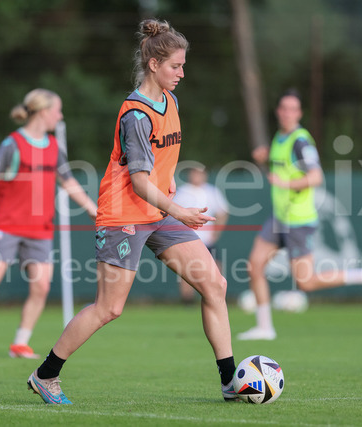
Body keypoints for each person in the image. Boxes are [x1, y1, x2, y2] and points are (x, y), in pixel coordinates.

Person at [27, 19, 237, 405]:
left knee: (215, 285)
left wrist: (169, 193)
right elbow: (139, 182)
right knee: (109, 308)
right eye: (175, 66)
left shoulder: (171, 101)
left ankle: (230, 381)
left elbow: (162, 162)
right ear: (154, 64)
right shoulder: (135, 115)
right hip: (124, 215)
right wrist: (179, 209)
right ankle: (45, 374)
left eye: (183, 65)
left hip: (159, 211)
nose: (182, 73)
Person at [0, 88, 98, 359]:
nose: (60, 116)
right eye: (57, 111)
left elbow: (69, 183)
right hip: (9, 226)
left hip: (41, 230)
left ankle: (20, 343)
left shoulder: (53, 147)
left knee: (41, 287)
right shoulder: (12, 144)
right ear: (44, 111)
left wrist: (92, 209)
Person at [238, 90, 362, 341]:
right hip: (279, 218)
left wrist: (286, 184)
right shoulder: (279, 138)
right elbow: (282, 170)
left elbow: (315, 177)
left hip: (298, 220)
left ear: (299, 113)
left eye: (292, 109)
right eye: (284, 108)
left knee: (306, 282)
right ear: (278, 111)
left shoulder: (301, 141)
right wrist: (265, 160)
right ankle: (264, 327)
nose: (287, 113)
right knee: (254, 266)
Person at [173, 165, 229, 304]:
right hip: (188, 239)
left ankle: (217, 296)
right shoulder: (182, 192)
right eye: (194, 173)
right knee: (188, 269)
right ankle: (187, 300)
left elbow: (222, 212)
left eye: (200, 173)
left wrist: (216, 232)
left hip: (208, 240)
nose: (197, 176)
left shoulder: (212, 191)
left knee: (215, 267)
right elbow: (173, 213)